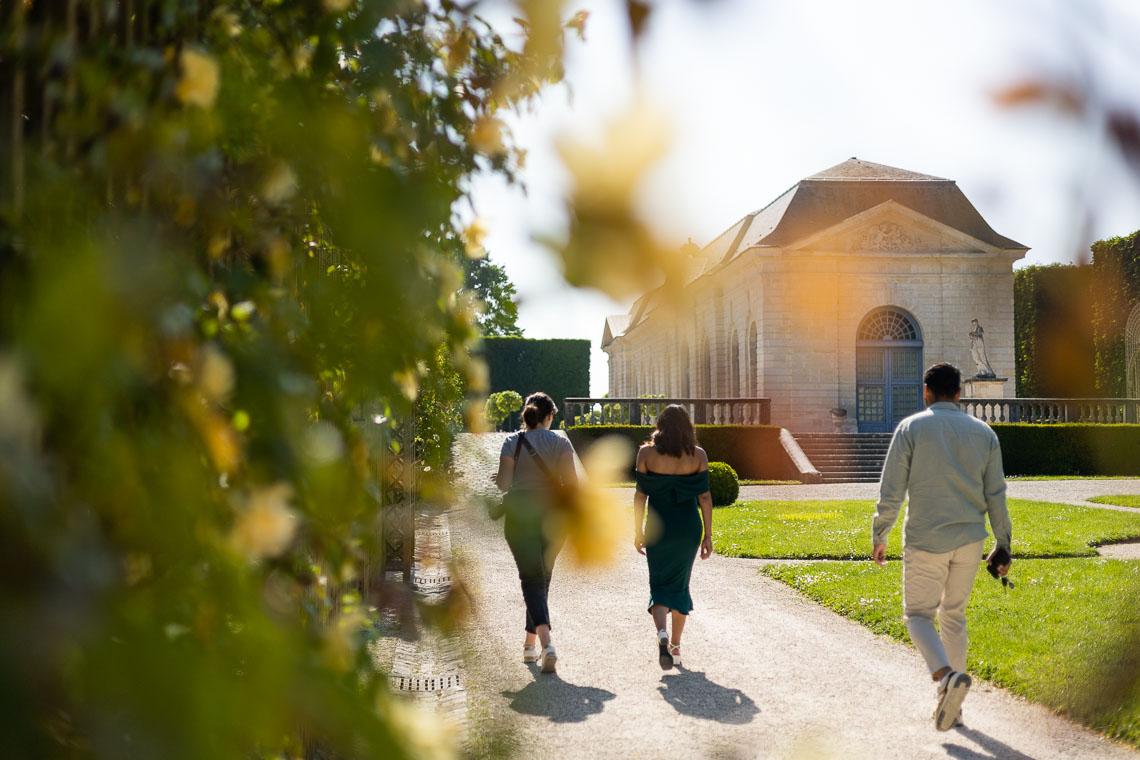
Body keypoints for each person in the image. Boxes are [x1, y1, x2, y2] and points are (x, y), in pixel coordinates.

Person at [871, 362, 1012, 731]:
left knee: (918, 615)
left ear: (926, 392)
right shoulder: (984, 433)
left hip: (925, 538)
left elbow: (892, 489)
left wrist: (880, 532)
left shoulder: (911, 428)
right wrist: (1003, 543)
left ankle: (947, 678)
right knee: (954, 616)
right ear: (960, 393)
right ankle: (955, 706)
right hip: (970, 539)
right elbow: (996, 494)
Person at [494, 392, 578, 674]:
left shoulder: (511, 442)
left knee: (532, 578)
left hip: (519, 517)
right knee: (540, 578)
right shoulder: (560, 442)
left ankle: (543, 643)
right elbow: (573, 487)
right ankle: (533, 644)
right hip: (553, 518)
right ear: (550, 416)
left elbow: (504, 484)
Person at [633, 404, 714, 670]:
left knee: (659, 585)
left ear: (661, 426)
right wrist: (708, 535)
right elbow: (704, 497)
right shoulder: (698, 455)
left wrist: (638, 530)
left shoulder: (645, 453)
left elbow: (640, 496)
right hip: (687, 528)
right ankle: (676, 647)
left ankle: (662, 634)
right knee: (680, 585)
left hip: (658, 528)